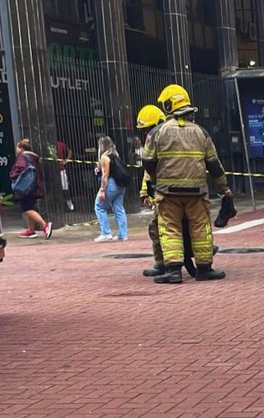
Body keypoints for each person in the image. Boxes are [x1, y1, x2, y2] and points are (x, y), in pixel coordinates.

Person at [141, 84, 232, 284]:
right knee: (200, 228)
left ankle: (173, 271)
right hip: (197, 192)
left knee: (170, 229)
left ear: (167, 105)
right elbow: (214, 164)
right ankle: (204, 269)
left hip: (168, 193)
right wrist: (223, 188)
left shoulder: (157, 132)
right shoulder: (201, 132)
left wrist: (156, 180)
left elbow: (147, 162)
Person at [135, 105, 167, 277]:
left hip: (167, 191)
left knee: (160, 229)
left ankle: (165, 264)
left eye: (147, 129)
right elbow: (148, 171)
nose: (146, 133)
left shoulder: (160, 138)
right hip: (167, 191)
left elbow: (150, 168)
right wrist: (144, 193)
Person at [9, 139, 52, 240]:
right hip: (34, 186)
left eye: (17, 147)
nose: (16, 150)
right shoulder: (33, 157)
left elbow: (20, 168)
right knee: (30, 207)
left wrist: (12, 174)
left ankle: (44, 225)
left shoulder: (23, 156)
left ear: (21, 148)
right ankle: (30, 230)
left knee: (26, 209)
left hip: (26, 188)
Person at [93, 136, 129, 243]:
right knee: (119, 208)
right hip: (120, 185)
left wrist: (102, 190)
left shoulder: (105, 158)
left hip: (111, 184)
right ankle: (123, 234)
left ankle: (106, 233)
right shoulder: (115, 156)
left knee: (99, 207)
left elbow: (105, 176)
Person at [54, 139, 75, 212]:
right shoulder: (47, 146)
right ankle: (58, 207)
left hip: (61, 170)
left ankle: (69, 205)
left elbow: (69, 151)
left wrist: (66, 161)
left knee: (65, 188)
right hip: (52, 170)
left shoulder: (60, 144)